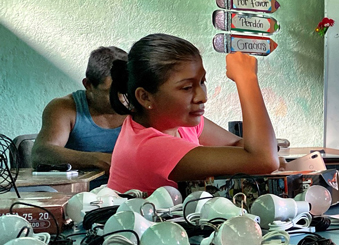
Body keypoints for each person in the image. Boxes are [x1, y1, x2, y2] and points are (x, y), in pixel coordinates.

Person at [106, 33, 279, 195]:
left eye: (202, 82)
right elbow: (263, 160)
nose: (202, 97)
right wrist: (246, 78)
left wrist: (265, 153)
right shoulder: (148, 148)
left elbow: (238, 145)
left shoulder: (177, 123)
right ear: (145, 97)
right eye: (187, 88)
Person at [32, 46, 128, 172]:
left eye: (126, 89)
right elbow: (41, 153)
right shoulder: (64, 108)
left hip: (134, 191)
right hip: (80, 191)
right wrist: (98, 160)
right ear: (88, 85)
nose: (122, 98)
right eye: (111, 92)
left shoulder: (142, 105)